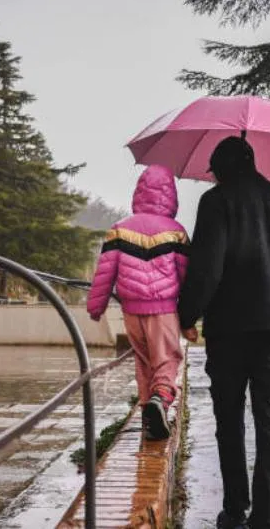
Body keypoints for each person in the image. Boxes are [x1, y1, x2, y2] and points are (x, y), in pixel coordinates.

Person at [177, 135, 270, 529]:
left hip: (230, 330)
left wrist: (187, 315)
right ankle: (267, 519)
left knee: (230, 419)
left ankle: (236, 509)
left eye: (214, 172)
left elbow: (207, 271)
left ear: (222, 168)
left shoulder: (217, 202)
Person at [87, 164, 189, 441]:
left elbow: (104, 273)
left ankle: (148, 412)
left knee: (144, 362)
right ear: (171, 196)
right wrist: (190, 318)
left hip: (131, 312)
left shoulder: (119, 230)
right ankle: (161, 400)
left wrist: (96, 307)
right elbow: (186, 276)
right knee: (168, 360)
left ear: (139, 193)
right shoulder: (176, 232)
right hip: (164, 311)